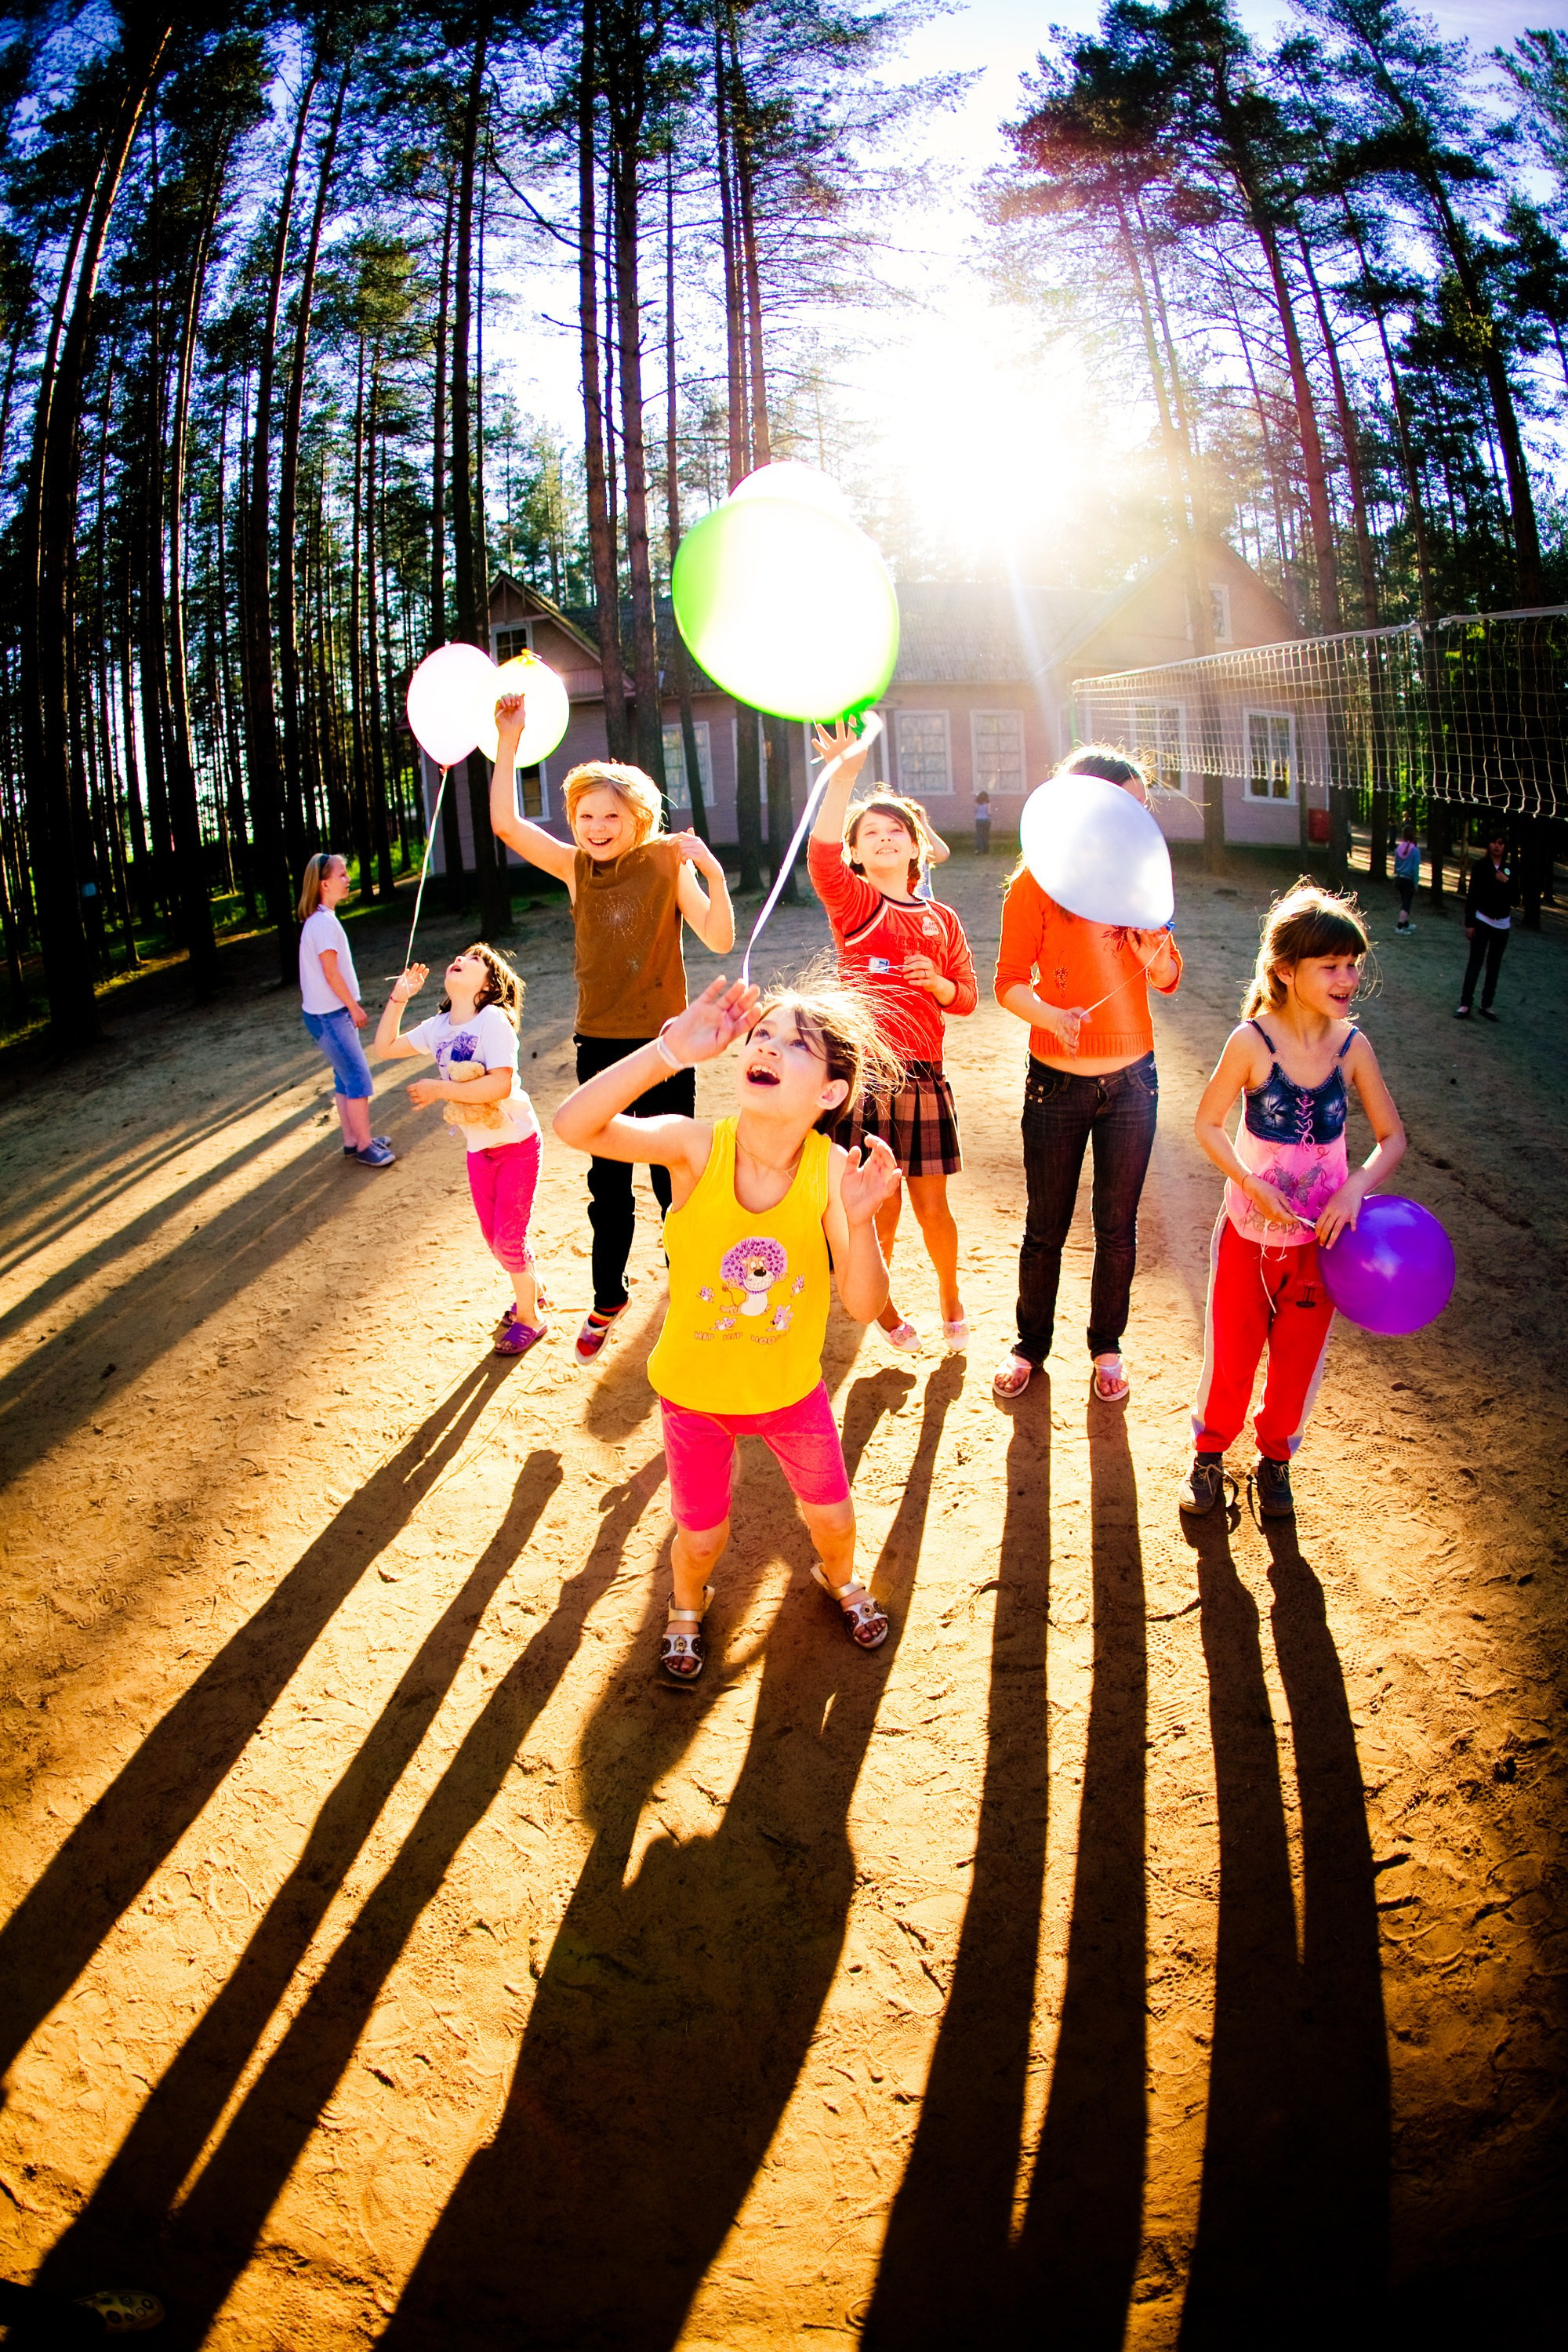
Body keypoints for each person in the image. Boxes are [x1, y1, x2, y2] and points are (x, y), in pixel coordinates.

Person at [553, 975, 905, 1682]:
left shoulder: (832, 1172)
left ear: (830, 1093)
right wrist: (667, 1051)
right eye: (763, 1034)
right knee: (701, 1536)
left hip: (789, 1391)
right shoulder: (693, 1147)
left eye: (795, 1044)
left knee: (833, 1522)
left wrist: (861, 1225)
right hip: (695, 1392)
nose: (767, 1046)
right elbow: (575, 1127)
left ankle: (840, 1579)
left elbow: (864, 1306)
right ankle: (687, 1603)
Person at [488, 692, 736, 1361]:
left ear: (640, 818)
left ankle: (689, 1288)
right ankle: (609, 1294)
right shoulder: (575, 868)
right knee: (607, 1181)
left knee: (668, 1176)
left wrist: (710, 873)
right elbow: (508, 825)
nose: (596, 827)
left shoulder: (664, 864)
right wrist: (509, 739)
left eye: (611, 816)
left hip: (665, 1047)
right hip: (598, 1044)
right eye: (585, 815)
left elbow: (716, 937)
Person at [1180, 881, 1406, 1519]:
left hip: (1323, 1246)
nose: (1347, 977)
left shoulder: (1353, 1047)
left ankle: (1275, 1461)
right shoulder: (1253, 1042)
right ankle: (1209, 1456)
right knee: (1232, 1355)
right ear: (1286, 970)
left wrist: (1356, 1187)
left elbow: (1392, 1139)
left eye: (1352, 964)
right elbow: (1207, 1125)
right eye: (1331, 965)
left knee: (1298, 1363)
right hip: (1249, 1238)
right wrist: (1250, 1182)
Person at [991, 746, 1181, 1404]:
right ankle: (1029, 1346)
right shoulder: (1034, 885)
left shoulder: (1142, 883)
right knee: (1045, 1227)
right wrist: (1049, 1013)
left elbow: (1166, 978)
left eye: (1145, 808)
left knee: (1117, 1226)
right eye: (1130, 804)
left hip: (1133, 1084)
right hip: (1056, 1085)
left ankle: (1107, 1346)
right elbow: (1009, 984)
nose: (1142, 819)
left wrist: (1152, 946)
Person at [806, 723, 978, 1353]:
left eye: (895, 831)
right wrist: (845, 773)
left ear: (916, 848)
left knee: (933, 1206)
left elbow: (968, 998)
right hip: (869, 1078)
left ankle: (951, 1295)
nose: (883, 837)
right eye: (869, 832)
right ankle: (883, 1309)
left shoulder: (942, 919)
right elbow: (820, 856)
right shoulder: (853, 903)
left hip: (926, 1076)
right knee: (881, 1207)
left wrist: (937, 984)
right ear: (856, 852)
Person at [376, 943, 549, 1356]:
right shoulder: (437, 1027)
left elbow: (500, 1085)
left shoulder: (493, 1020)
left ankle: (531, 1318)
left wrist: (439, 1089)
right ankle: (535, 1290)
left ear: (488, 984)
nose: (461, 958)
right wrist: (399, 997)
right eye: (461, 955)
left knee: (508, 1240)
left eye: (475, 959)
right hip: (479, 1149)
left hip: (516, 1144)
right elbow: (384, 1048)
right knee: (496, 1240)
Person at [297, 851, 394, 1169]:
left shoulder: (322, 919)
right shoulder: (322, 923)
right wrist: (353, 1008)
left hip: (327, 1016)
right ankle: (366, 1146)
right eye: (341, 875)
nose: (348, 879)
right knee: (358, 1078)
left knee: (344, 1078)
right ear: (324, 883)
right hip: (331, 1016)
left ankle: (353, 1141)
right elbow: (330, 972)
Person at [1455, 826, 1515, 1021]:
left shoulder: (1511, 869)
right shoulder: (1481, 867)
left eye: (1500, 844)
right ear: (1488, 845)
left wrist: (1506, 881)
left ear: (1505, 847)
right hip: (1481, 920)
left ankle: (1487, 1005)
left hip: (1502, 925)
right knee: (1475, 962)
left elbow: (1517, 899)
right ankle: (1465, 1004)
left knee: (1494, 966)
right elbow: (1472, 895)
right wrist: (1470, 923)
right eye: (1494, 843)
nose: (1497, 847)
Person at [1392, 820, 1420, 931]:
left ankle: (1405, 923)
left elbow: (1396, 864)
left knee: (1405, 900)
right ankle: (1399, 926)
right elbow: (1415, 868)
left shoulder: (1398, 849)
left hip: (1400, 879)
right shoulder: (1415, 851)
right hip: (1409, 880)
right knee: (1407, 903)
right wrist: (1416, 882)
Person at [973, 790, 992, 857]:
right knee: (986, 836)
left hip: (978, 820)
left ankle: (977, 850)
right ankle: (985, 850)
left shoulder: (976, 803)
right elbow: (989, 813)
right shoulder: (988, 804)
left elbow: (975, 811)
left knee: (979, 835)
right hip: (986, 820)